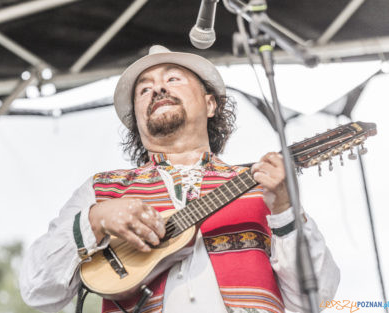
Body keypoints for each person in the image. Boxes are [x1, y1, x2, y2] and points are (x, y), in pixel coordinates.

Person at [19, 45, 340, 313]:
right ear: (136, 118)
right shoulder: (103, 190)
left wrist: (285, 210)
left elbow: (318, 299)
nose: (158, 88)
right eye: (144, 89)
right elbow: (37, 289)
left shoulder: (264, 186)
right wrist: (96, 219)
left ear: (210, 103)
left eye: (173, 79)